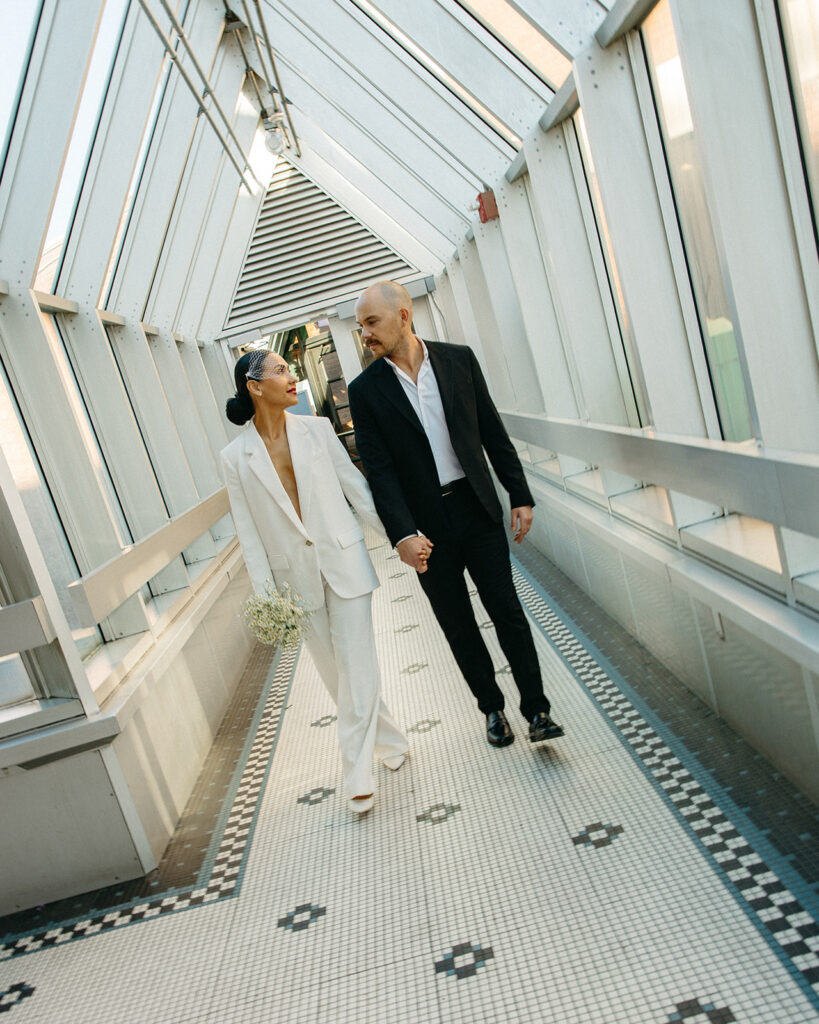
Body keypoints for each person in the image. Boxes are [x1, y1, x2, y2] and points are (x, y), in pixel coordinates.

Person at [348, 280, 564, 749]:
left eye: (371, 322)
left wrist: (519, 494)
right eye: (361, 326)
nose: (364, 333)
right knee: (457, 622)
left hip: (477, 507)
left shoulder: (458, 360)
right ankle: (492, 709)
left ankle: (538, 710)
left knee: (507, 611)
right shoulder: (365, 391)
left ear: (403, 315)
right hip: (426, 528)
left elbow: (491, 429)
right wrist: (402, 534)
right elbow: (379, 472)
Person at [221, 350, 408, 814]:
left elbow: (357, 489)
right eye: (281, 370)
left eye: (290, 369)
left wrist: (399, 538)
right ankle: (390, 740)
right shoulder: (234, 458)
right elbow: (248, 533)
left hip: (344, 562)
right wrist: (268, 598)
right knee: (335, 674)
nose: (293, 377)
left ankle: (357, 771)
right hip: (293, 581)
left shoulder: (319, 431)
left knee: (358, 664)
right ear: (254, 385)